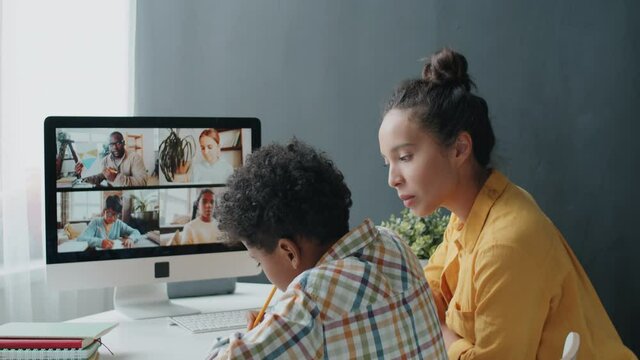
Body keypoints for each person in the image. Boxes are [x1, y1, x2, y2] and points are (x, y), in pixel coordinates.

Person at [378, 48, 636, 359]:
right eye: (387, 163)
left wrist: (442, 330)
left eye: (405, 157)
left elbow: (428, 308)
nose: (393, 178)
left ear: (460, 149)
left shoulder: (504, 242)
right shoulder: (467, 215)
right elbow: (428, 290)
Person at [206, 140, 446, 359]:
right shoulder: (393, 245)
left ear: (289, 252)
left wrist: (261, 333)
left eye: (259, 261)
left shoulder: (308, 301)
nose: (263, 270)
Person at [75, 131, 147, 187]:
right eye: (111, 144)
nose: (115, 147)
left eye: (118, 143)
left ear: (123, 143)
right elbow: (98, 177)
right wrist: (82, 176)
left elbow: (142, 183)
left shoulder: (135, 158)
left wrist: (116, 178)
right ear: (109, 146)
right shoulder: (105, 161)